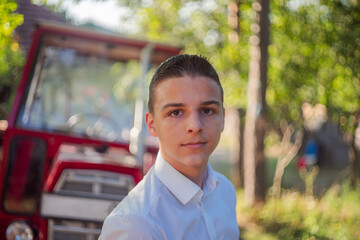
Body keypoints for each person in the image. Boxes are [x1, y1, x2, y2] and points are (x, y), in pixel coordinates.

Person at [99, 54, 240, 240]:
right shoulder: (135, 225)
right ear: (152, 125)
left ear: (223, 118)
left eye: (207, 110)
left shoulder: (225, 191)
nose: (195, 125)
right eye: (176, 112)